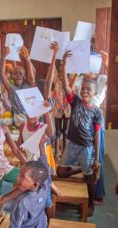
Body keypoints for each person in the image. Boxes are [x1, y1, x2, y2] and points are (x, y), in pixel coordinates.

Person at [56, 50, 102, 216]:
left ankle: (90, 203)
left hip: (86, 147)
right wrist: (64, 64)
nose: (85, 92)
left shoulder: (97, 112)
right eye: (83, 89)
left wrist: (96, 158)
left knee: (90, 178)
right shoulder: (75, 102)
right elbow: (65, 86)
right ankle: (82, 168)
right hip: (71, 145)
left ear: (94, 93)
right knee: (60, 172)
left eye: (88, 90)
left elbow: (96, 135)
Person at [74, 51, 108, 204]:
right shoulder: (79, 80)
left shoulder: (101, 79)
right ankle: (82, 193)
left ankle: (97, 194)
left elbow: (111, 82)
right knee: (81, 158)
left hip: (96, 122)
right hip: (81, 122)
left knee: (97, 157)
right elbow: (73, 93)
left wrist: (106, 65)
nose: (90, 70)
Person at [0, 134, 51, 228]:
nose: (18, 177)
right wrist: (41, 146)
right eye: (20, 174)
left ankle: (3, 199)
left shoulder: (22, 203)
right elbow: (44, 164)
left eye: (23, 176)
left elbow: (15, 225)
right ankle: (3, 199)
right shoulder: (44, 183)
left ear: (35, 184)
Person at [0, 47, 36, 126]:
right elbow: (2, 75)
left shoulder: (28, 86)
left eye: (20, 74)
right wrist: (4, 56)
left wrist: (28, 60)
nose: (18, 75)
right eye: (15, 73)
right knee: (0, 122)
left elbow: (31, 78)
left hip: (29, 119)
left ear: (24, 77)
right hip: (17, 120)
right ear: (12, 77)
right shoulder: (12, 88)